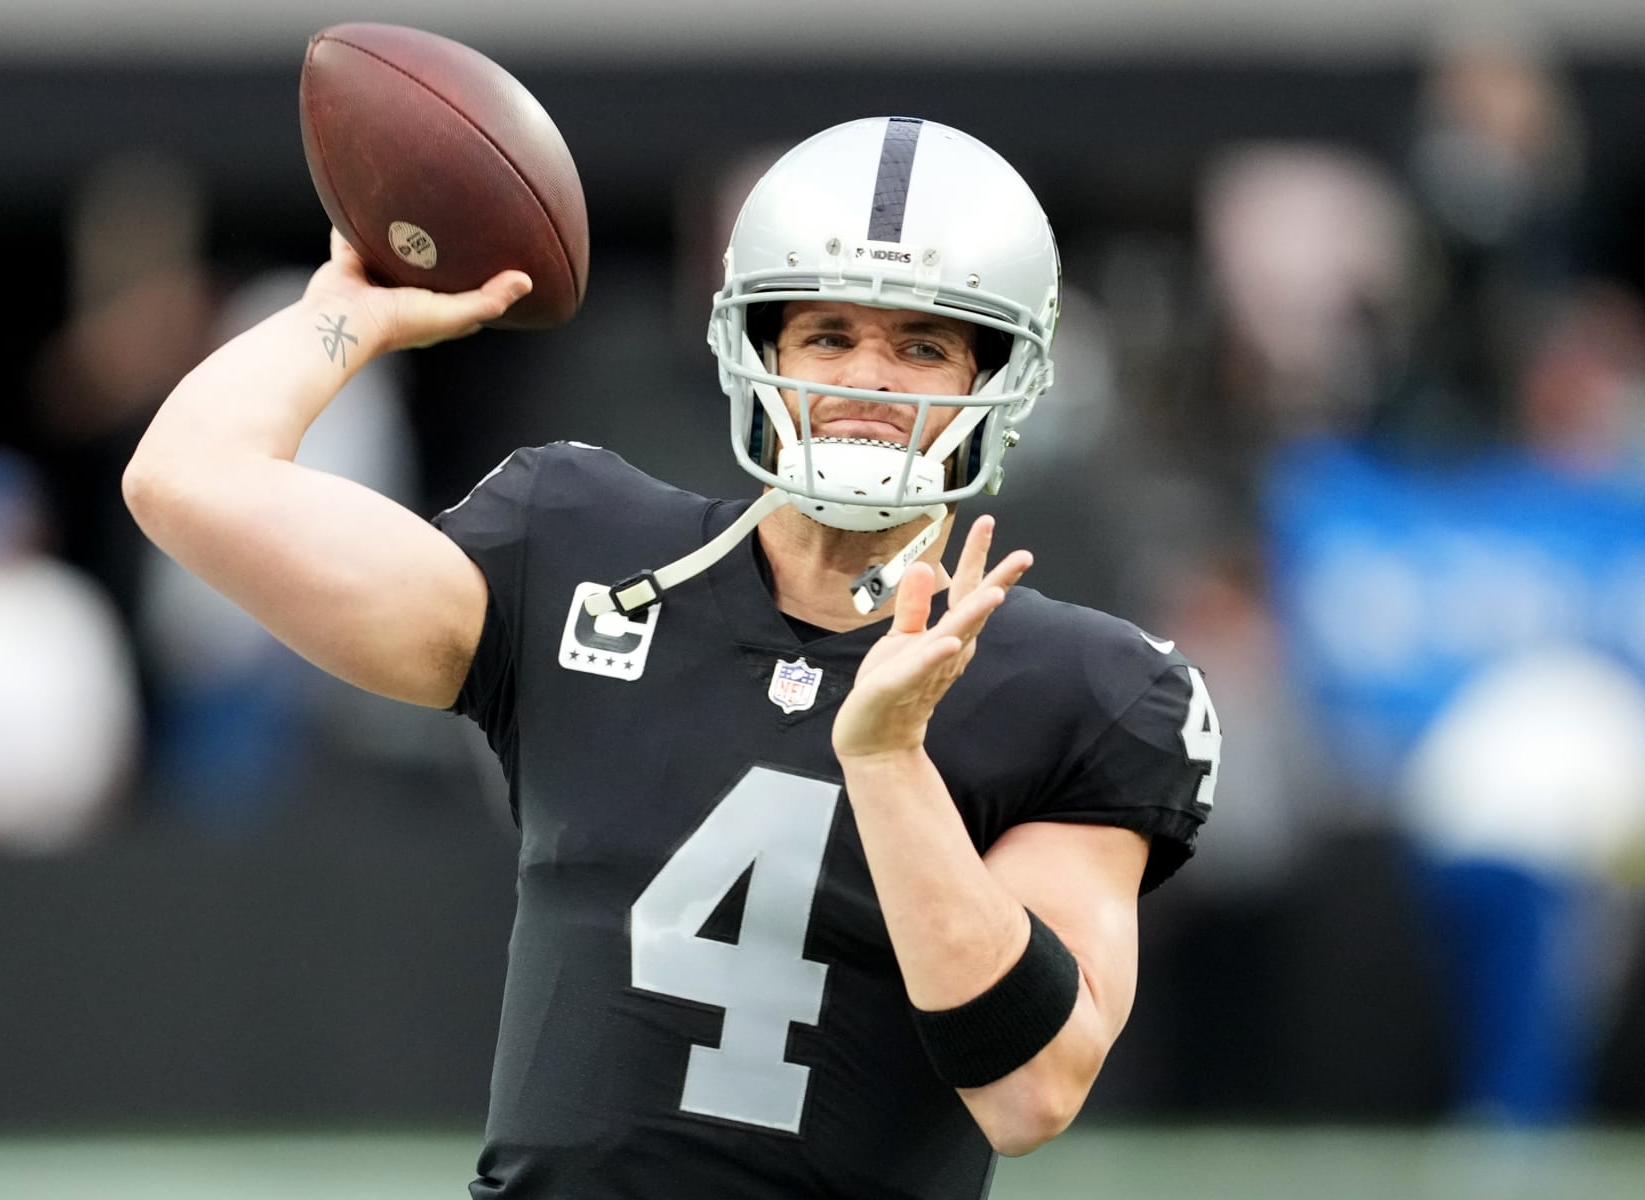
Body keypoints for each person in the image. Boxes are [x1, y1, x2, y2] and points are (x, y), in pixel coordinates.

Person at [123, 117, 1217, 1198]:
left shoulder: (1077, 686)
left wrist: (890, 764)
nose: (868, 381)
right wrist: (344, 317)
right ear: (759, 351)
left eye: (922, 347)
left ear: (1000, 378)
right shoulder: (581, 548)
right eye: (828, 334)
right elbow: (186, 482)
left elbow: (1031, 1093)